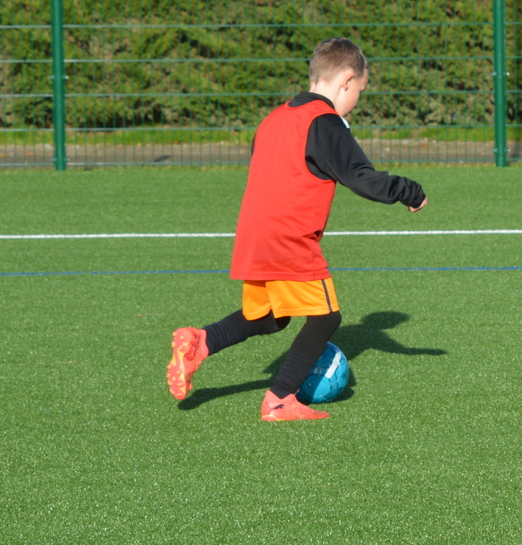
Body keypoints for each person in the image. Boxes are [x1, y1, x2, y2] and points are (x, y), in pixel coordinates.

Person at [165, 38, 427, 420]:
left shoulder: (273, 119)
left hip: (253, 235)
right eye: (360, 91)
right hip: (288, 237)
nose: (357, 100)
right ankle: (280, 399)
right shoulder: (325, 121)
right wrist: (409, 191)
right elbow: (360, 177)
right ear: (347, 81)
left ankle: (201, 342)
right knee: (327, 316)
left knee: (270, 316)